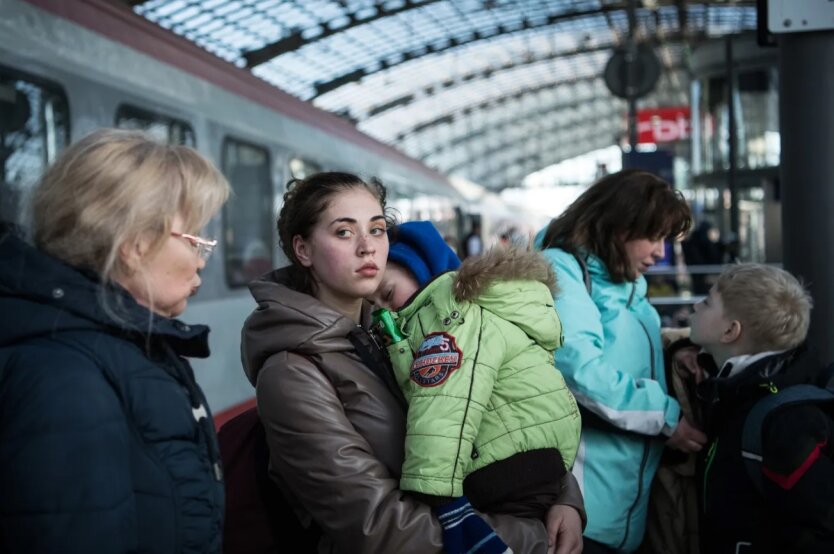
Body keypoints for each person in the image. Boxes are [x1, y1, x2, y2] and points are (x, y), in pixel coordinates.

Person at [240, 172, 585, 554]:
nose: (367, 247)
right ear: (303, 250)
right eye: (343, 232)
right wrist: (532, 536)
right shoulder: (291, 373)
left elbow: (508, 412)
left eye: (376, 230)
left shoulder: (402, 326)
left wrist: (565, 498)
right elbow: (378, 526)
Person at [0, 128, 230, 553]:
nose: (201, 260)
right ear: (136, 244)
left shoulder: (113, 348)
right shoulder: (64, 379)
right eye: (196, 239)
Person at [369, 220, 583, 554]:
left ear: (422, 272)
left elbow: (445, 400)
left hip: (507, 470)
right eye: (375, 309)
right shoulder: (474, 309)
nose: (385, 313)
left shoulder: (451, 314)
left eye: (387, 294)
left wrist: (441, 499)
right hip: (533, 461)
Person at [536, 169, 707, 553]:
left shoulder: (625, 284)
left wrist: (677, 350)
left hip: (621, 511)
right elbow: (578, 371)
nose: (661, 253)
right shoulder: (565, 271)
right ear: (617, 225)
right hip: (581, 510)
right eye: (654, 236)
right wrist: (667, 418)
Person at [686, 263, 834, 553]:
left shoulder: (785, 421)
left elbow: (820, 525)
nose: (695, 305)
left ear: (730, 331)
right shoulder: (740, 388)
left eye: (707, 302)